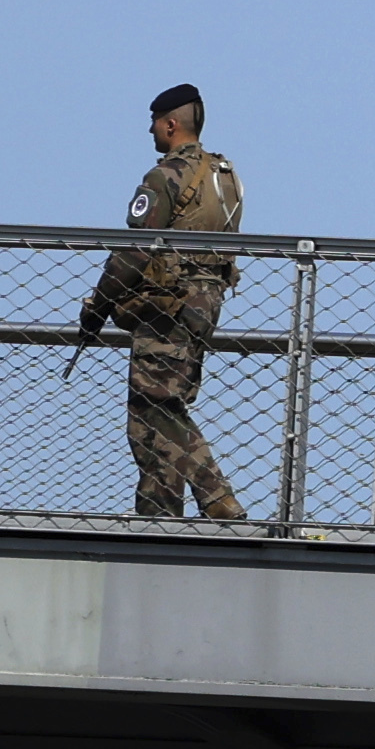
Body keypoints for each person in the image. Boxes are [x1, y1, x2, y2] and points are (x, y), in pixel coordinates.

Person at [79, 84, 247, 522]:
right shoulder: (225, 177)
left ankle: (216, 496)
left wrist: (97, 305)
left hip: (166, 306)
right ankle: (159, 515)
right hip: (206, 304)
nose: (151, 129)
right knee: (148, 419)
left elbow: (134, 251)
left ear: (171, 124)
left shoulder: (165, 177)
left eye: (155, 121)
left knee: (157, 405)